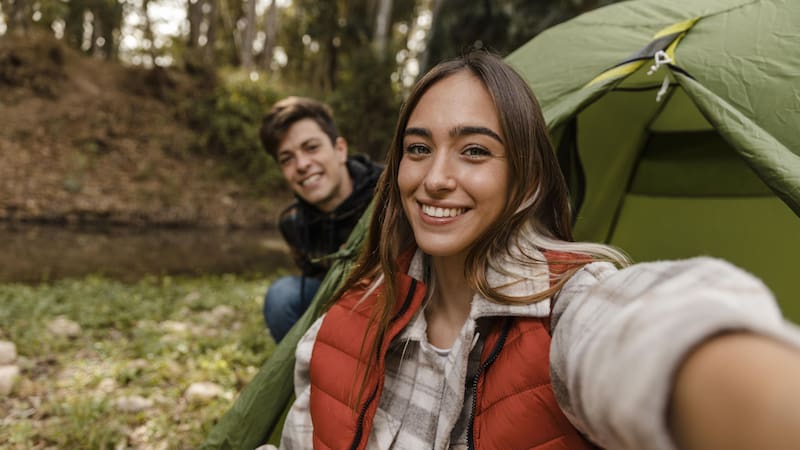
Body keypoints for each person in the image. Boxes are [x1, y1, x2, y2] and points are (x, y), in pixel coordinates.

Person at [270, 52, 800, 449]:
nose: (434, 178)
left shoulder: (569, 308)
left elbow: (649, 327)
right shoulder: (344, 320)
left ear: (523, 177)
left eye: (474, 151)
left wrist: (738, 377)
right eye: (418, 149)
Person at [259, 96, 382, 342]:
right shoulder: (292, 223)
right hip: (340, 306)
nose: (302, 164)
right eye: (287, 159)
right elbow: (316, 281)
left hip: (395, 304)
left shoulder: (389, 191)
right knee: (282, 296)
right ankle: (310, 374)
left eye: (311, 147)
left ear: (340, 150)